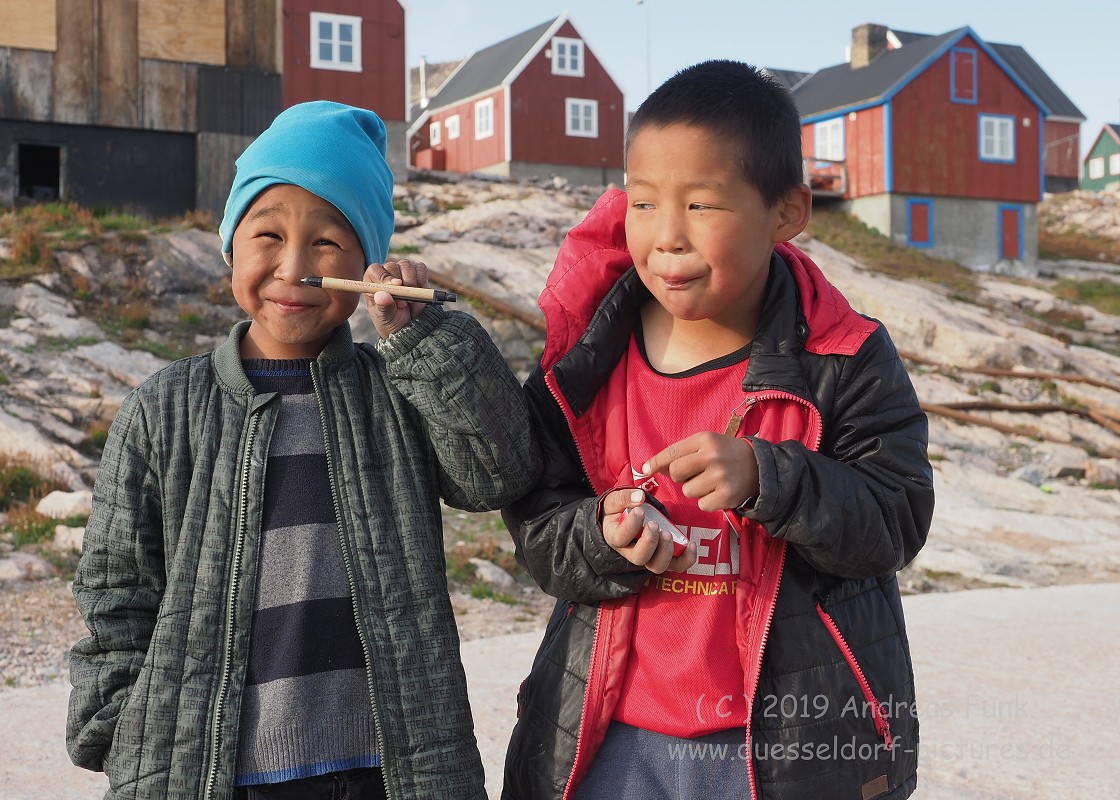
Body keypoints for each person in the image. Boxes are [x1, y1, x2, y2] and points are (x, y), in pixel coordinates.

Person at [66, 100, 541, 800]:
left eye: (326, 243)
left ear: (366, 264)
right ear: (231, 245)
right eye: (267, 234)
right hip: (214, 775)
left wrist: (428, 339)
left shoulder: (396, 393)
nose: (292, 267)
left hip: (382, 772)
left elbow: (498, 472)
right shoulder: (164, 410)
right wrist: (121, 725)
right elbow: (116, 587)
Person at [500, 60, 934, 800]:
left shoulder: (846, 357)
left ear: (787, 213)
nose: (666, 238)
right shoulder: (584, 366)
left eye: (702, 205)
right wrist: (602, 537)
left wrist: (774, 477)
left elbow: (896, 516)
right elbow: (540, 531)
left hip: (781, 749)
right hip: (613, 740)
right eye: (642, 204)